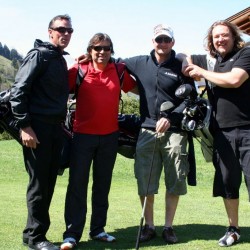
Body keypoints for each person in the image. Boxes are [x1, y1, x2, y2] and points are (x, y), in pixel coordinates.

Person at [60, 33, 137, 250]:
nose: (101, 52)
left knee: (102, 186)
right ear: (90, 50)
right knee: (77, 186)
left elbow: (140, 89)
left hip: (110, 137)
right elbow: (58, 90)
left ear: (112, 50)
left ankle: (98, 230)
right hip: (82, 137)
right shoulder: (79, 70)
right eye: (97, 48)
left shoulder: (119, 71)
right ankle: (72, 234)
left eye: (106, 48)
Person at [120, 24, 194, 245]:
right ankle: (150, 226)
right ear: (152, 41)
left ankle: (168, 227)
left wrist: (171, 117)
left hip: (175, 131)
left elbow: (190, 98)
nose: (162, 43)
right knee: (145, 181)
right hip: (147, 130)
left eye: (166, 40)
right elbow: (112, 63)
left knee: (175, 180)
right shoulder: (138, 62)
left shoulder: (180, 66)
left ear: (172, 42)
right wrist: (85, 59)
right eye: (158, 39)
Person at [183, 20, 250, 247]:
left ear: (233, 36)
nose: (220, 39)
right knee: (228, 183)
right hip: (221, 133)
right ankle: (233, 229)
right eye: (216, 37)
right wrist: (187, 65)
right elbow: (185, 56)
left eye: (224, 35)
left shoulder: (245, 54)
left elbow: (234, 80)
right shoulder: (213, 60)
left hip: (248, 130)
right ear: (211, 41)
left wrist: (201, 72)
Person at [9, 14, 73, 250]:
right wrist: (25, 126)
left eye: (69, 31)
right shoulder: (39, 55)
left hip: (54, 128)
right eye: (61, 30)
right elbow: (18, 91)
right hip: (37, 128)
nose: (65, 34)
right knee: (39, 185)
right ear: (50, 31)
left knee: (47, 182)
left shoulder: (58, 58)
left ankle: (31, 234)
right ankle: (36, 238)